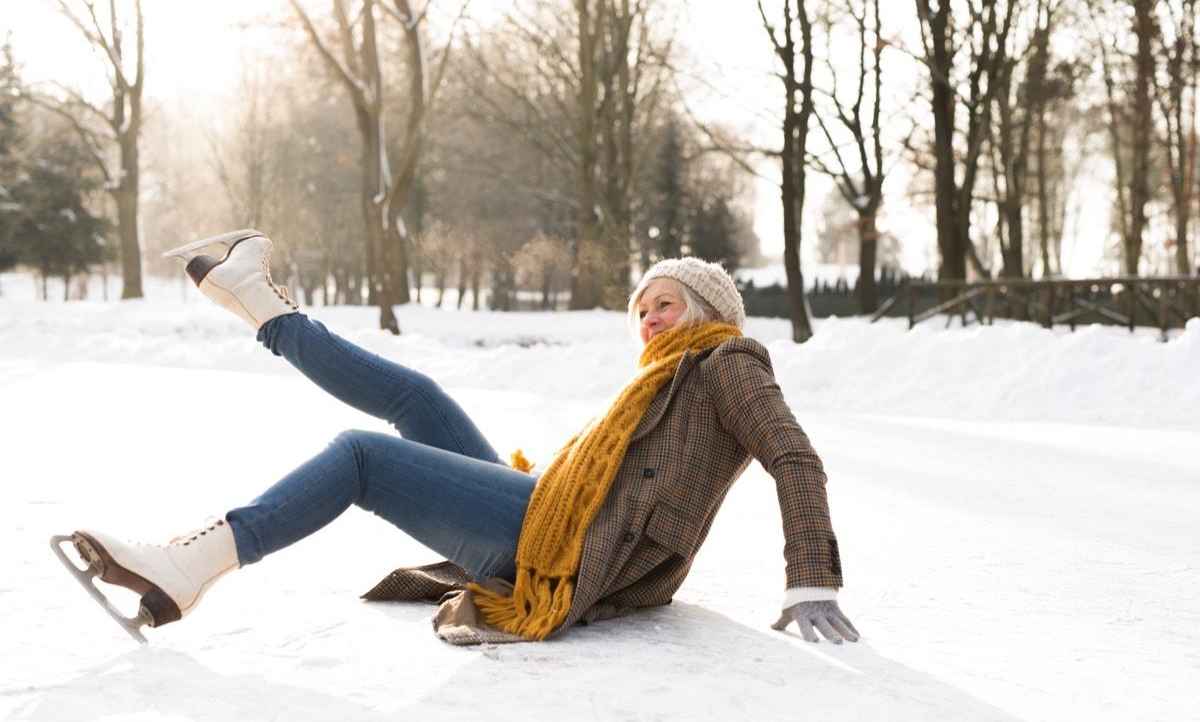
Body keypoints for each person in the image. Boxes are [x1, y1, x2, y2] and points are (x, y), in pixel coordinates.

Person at [65, 230, 859, 646]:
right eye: (642, 308)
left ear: (709, 312)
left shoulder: (726, 362)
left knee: (361, 457)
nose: (649, 320)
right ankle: (262, 307)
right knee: (420, 396)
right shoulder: (659, 379)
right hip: (555, 519)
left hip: (576, 553)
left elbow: (793, 456)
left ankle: (186, 566)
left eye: (667, 306)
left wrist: (811, 577)